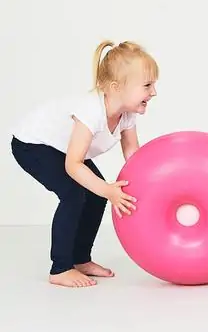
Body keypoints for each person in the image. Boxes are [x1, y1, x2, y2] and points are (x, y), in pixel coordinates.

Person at [11, 40, 159, 288]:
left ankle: (80, 259)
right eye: (147, 85)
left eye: (153, 85)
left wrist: (152, 182)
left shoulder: (127, 114)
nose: (153, 92)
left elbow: (132, 152)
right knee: (74, 194)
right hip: (33, 144)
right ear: (116, 87)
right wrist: (107, 189)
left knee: (96, 196)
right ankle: (60, 268)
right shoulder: (91, 111)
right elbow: (73, 164)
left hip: (65, 151)